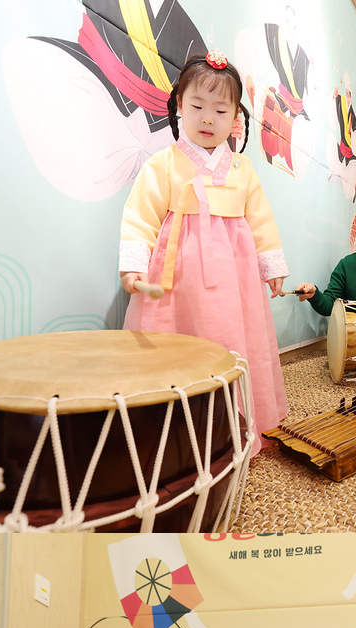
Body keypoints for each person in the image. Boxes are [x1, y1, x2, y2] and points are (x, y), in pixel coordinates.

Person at [120, 51, 290, 432]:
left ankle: (229, 422)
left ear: (235, 119)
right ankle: (169, 425)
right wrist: (133, 264)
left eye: (220, 110)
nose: (208, 118)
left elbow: (260, 219)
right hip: (177, 270)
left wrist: (272, 265)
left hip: (234, 274)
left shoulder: (243, 169)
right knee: (176, 337)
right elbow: (141, 214)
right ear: (180, 104)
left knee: (229, 336)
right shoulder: (163, 163)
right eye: (197, 106)